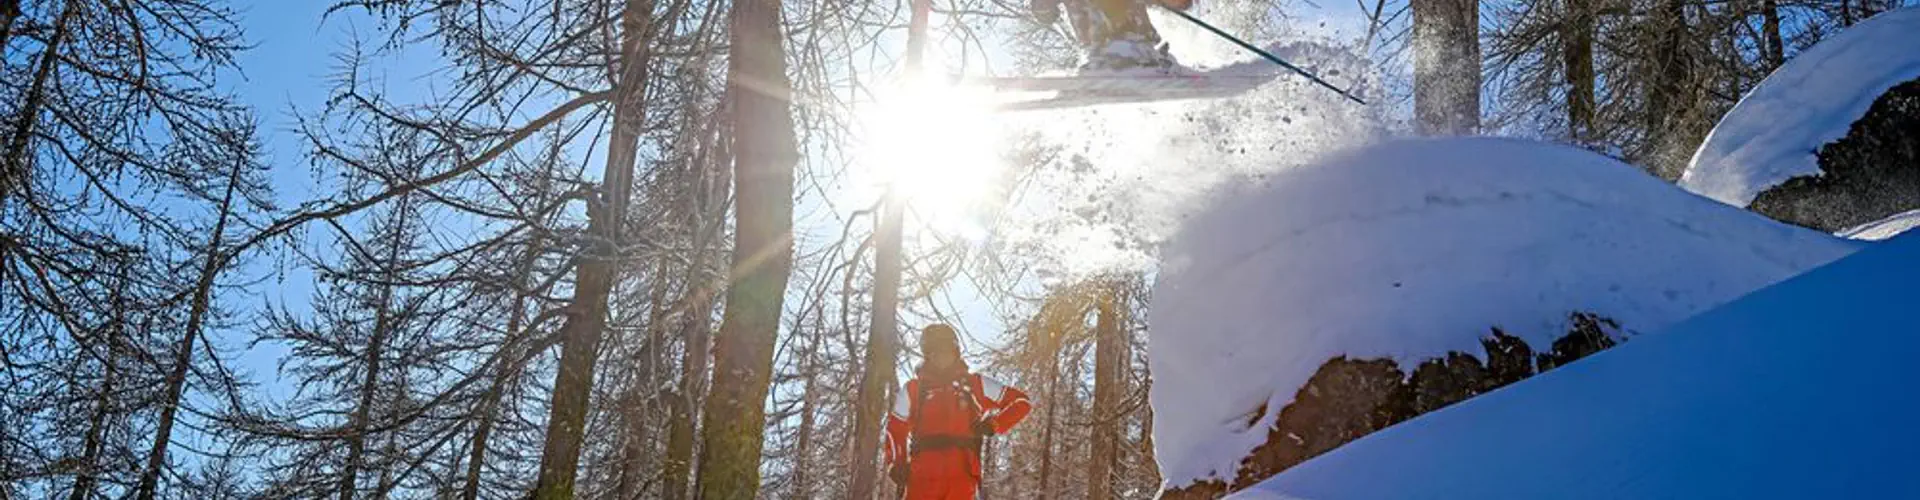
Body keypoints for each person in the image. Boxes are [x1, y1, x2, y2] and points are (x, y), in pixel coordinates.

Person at [884, 324, 1032, 499]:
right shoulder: (913, 390)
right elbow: (895, 430)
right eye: (934, 351)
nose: (941, 356)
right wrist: (897, 463)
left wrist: (995, 424)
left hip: (963, 479)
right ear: (926, 355)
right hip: (922, 480)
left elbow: (1021, 402)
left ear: (956, 351)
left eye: (946, 350)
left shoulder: (976, 384)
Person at [1031, 0, 1197, 71]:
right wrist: (1042, 6)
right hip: (1095, 49)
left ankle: (1136, 50)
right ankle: (1103, 55)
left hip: (1140, 41)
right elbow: (1044, 12)